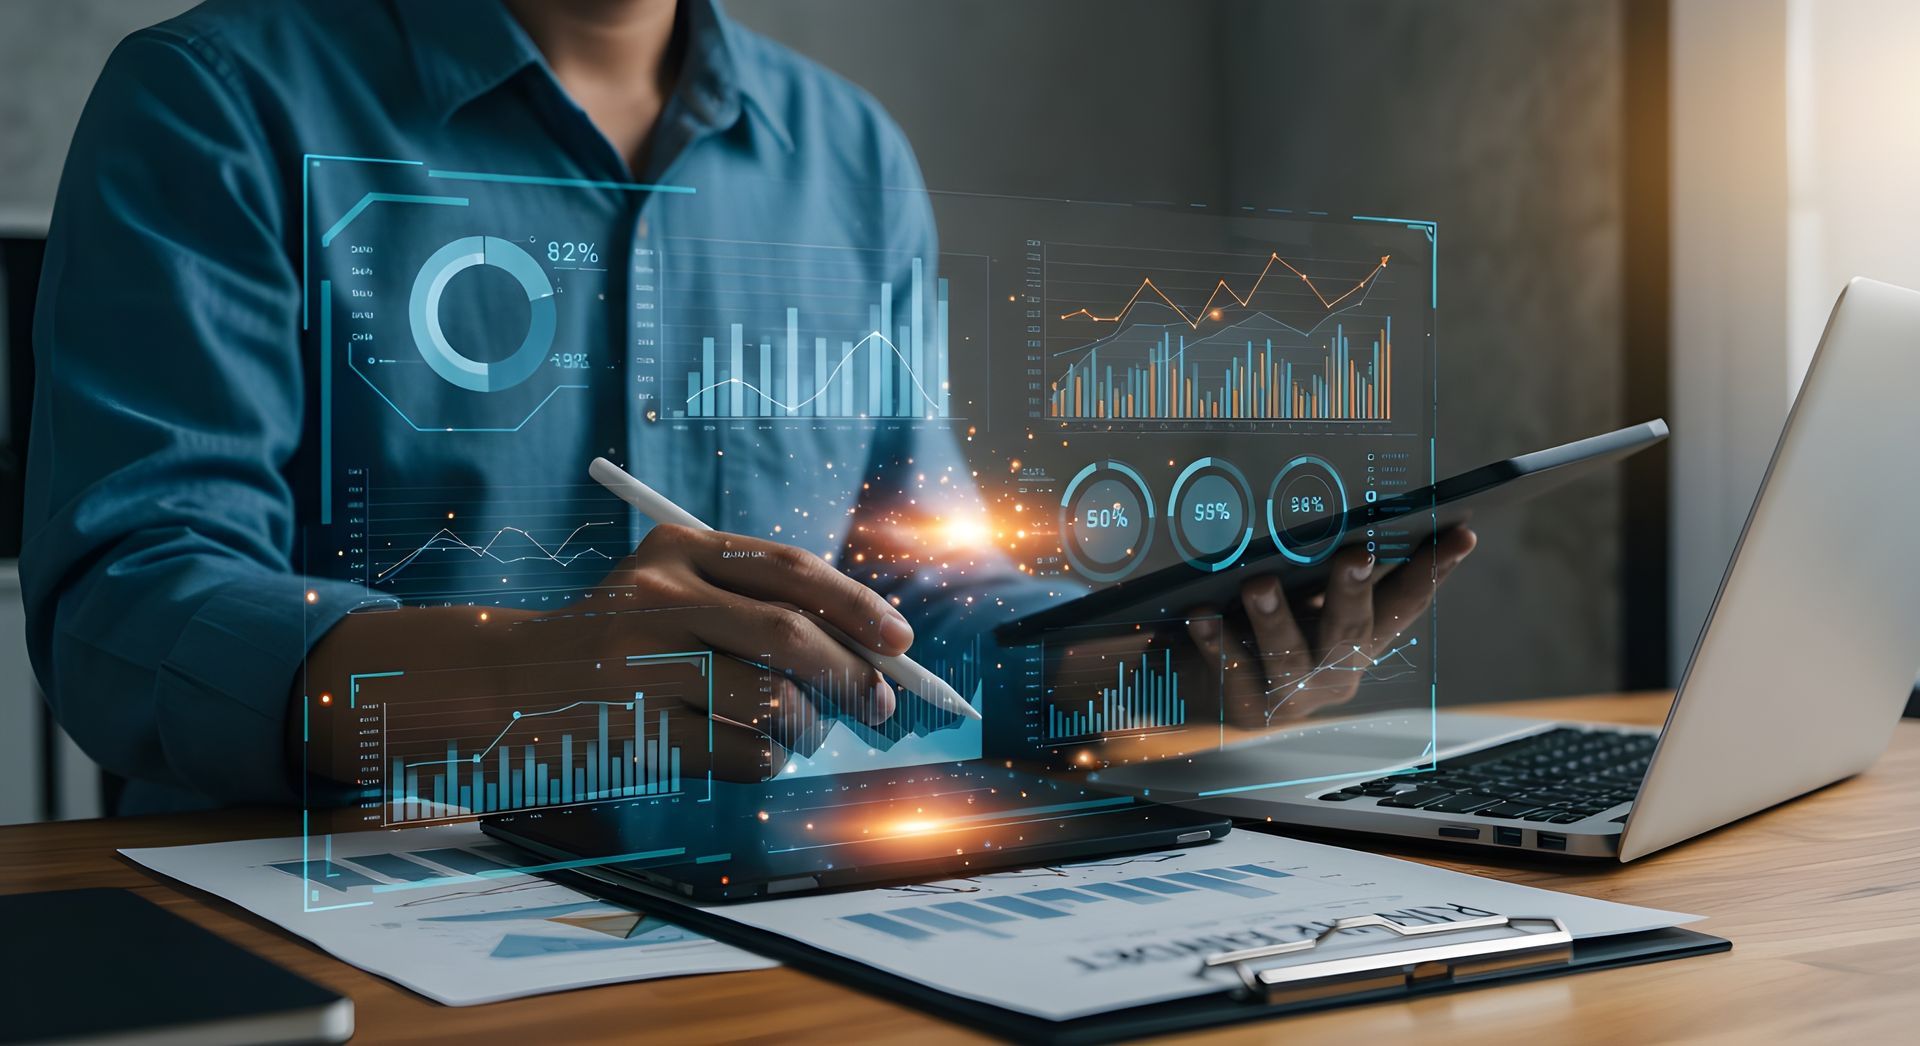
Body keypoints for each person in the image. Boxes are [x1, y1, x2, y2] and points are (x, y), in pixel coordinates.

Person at [24, 0, 1473, 814]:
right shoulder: (213, 103)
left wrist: (1158, 666)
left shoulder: (851, 158)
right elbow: (129, 598)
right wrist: (517, 685)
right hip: (356, 917)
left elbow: (924, 595)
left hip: (781, 904)